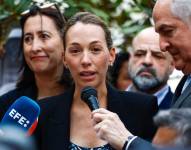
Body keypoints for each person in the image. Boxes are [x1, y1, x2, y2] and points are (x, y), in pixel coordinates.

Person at [33, 12, 158, 150]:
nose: (85, 60)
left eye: (95, 49)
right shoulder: (43, 112)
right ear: (64, 59)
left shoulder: (142, 107)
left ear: (111, 55)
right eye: (75, 51)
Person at [120, 0, 191, 149]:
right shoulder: (186, 82)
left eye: (168, 31)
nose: (162, 45)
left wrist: (128, 142)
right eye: (139, 53)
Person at [0, 3, 71, 118]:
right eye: (28, 39)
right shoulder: (7, 105)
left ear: (65, 42)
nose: (34, 47)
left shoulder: (83, 102)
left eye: (44, 36)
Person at [127, 27, 174, 110]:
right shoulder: (105, 104)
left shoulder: (182, 112)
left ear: (172, 65)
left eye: (157, 56)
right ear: (130, 59)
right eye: (139, 54)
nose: (147, 61)